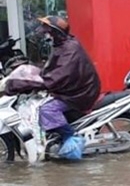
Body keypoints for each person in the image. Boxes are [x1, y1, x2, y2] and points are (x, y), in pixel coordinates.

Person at [5, 16, 101, 159]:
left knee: (46, 109)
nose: (44, 33)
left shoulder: (70, 49)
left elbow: (56, 77)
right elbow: (50, 71)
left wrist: (27, 83)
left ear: (56, 32)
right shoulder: (61, 45)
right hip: (68, 89)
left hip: (79, 93)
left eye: (47, 31)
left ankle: (69, 136)